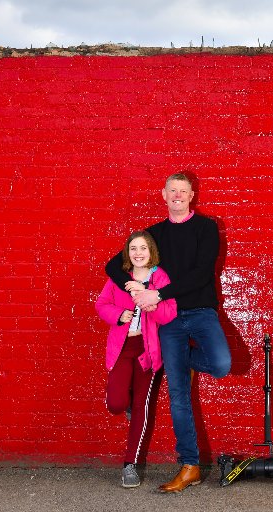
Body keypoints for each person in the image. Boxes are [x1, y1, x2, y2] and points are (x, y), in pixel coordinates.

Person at [105, 172, 231, 493]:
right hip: (169, 321)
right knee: (178, 397)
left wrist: (157, 294)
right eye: (172, 190)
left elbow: (202, 274)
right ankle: (189, 466)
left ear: (192, 195)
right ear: (163, 195)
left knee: (221, 364)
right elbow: (112, 266)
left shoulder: (207, 228)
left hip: (201, 312)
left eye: (183, 190)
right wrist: (136, 291)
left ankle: (184, 358)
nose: (177, 195)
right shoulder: (154, 234)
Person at [96, 231, 177, 488]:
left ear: (151, 251)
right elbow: (101, 303)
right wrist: (119, 314)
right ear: (127, 253)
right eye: (133, 249)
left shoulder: (161, 278)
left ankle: (129, 464)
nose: (138, 253)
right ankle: (126, 403)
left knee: (142, 406)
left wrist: (149, 300)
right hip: (122, 347)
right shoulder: (120, 277)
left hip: (148, 349)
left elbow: (169, 312)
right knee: (117, 403)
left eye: (143, 248)